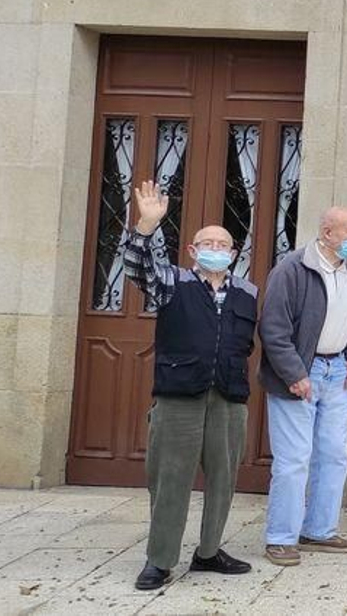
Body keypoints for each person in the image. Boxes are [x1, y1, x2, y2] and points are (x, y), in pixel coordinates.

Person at [123, 181, 257, 591]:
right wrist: (146, 225)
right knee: (170, 480)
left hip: (228, 397)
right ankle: (160, 560)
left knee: (223, 479)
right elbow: (136, 268)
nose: (217, 247)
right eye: (207, 242)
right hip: (179, 395)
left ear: (234, 255)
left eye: (224, 243)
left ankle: (209, 551)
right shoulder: (173, 282)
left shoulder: (248, 292)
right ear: (193, 252)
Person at [259, 205, 347, 567]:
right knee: (294, 459)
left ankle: (319, 530)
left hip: (336, 371)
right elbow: (273, 329)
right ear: (327, 233)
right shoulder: (292, 270)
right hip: (300, 374)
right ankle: (281, 537)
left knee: (334, 455)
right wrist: (295, 373)